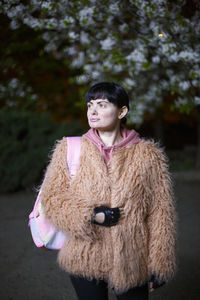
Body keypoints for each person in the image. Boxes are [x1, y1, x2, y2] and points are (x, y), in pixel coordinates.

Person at [40, 82, 176, 300]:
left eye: (102, 105)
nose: (93, 111)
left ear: (122, 111)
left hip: (133, 258)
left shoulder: (148, 155)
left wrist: (160, 261)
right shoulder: (69, 148)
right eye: (90, 105)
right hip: (84, 253)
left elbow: (161, 212)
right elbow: (52, 199)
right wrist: (92, 215)